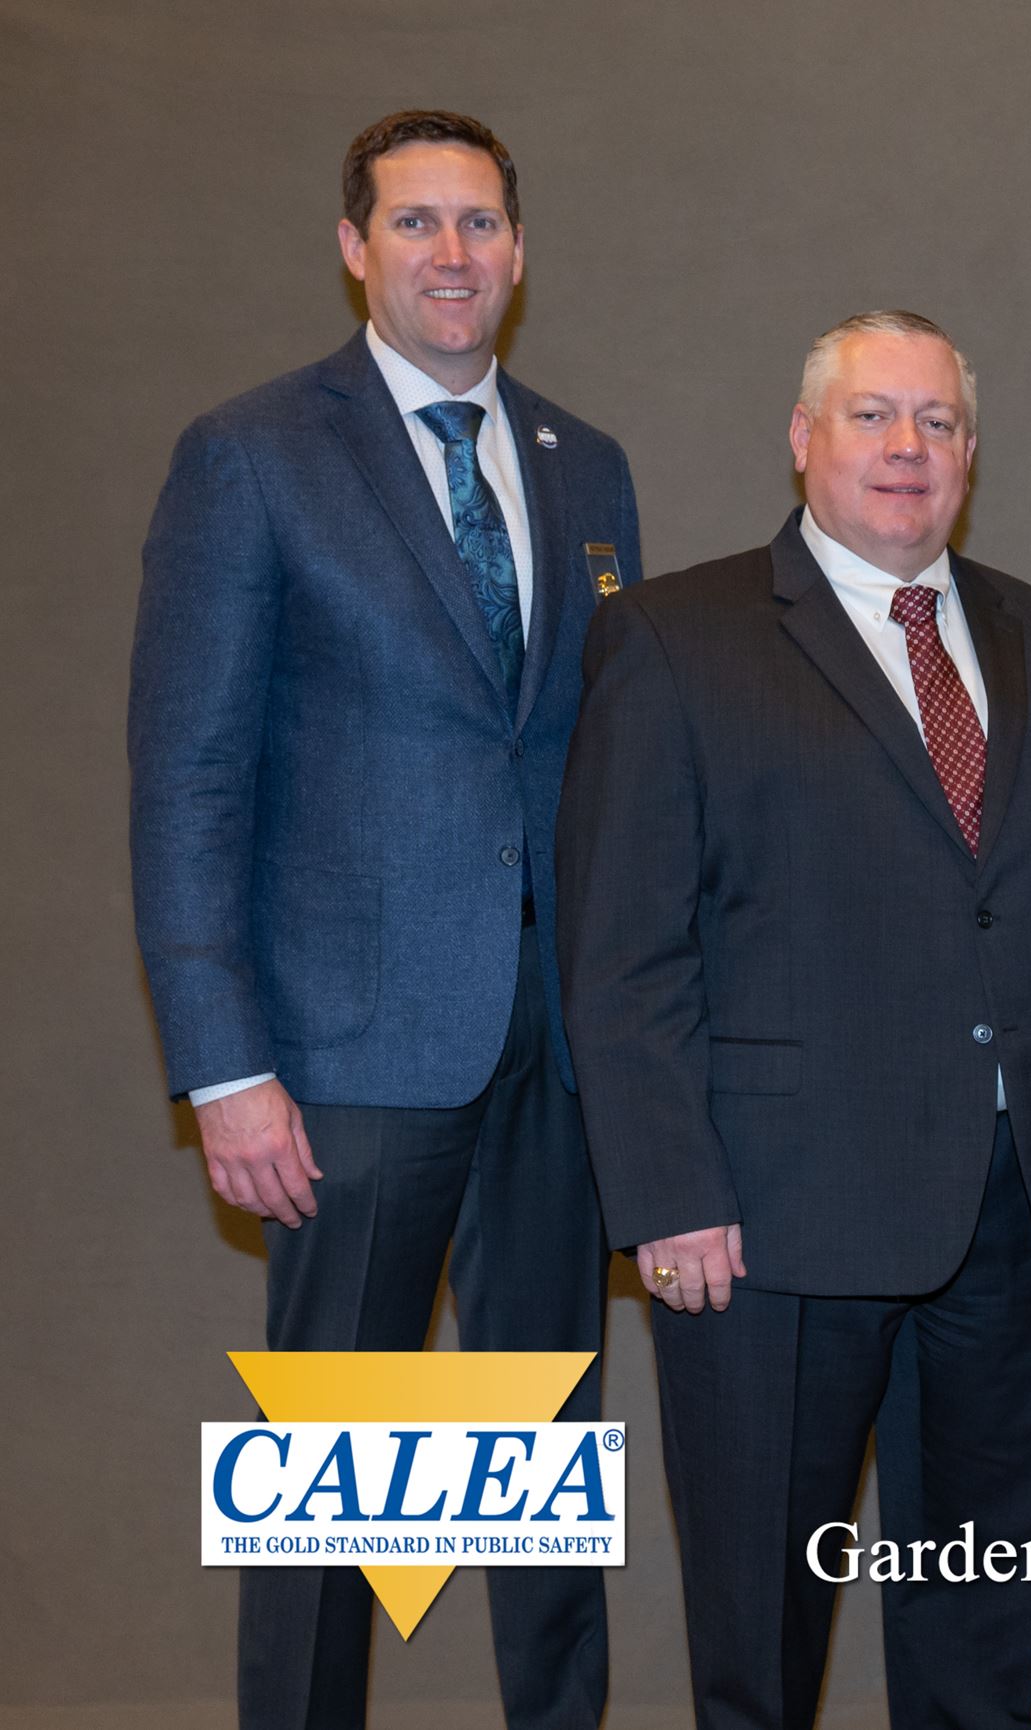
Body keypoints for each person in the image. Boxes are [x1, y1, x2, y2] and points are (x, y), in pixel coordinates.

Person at [555, 309, 1031, 1730]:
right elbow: (622, 945)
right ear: (802, 441)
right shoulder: (671, 635)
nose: (908, 449)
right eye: (872, 417)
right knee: (760, 1639)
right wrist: (667, 1189)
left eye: (938, 422)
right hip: (770, 1222)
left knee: (979, 1624)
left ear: (972, 451)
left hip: (1012, 1216)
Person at [129, 109, 636, 1729]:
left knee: (542, 1475)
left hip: (546, 1063)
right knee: (331, 1490)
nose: (451, 255)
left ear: (520, 249)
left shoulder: (586, 465)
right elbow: (188, 775)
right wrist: (223, 1068)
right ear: (354, 247)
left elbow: (596, 763)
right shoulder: (254, 454)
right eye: (415, 223)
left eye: (480, 224)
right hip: (343, 1063)